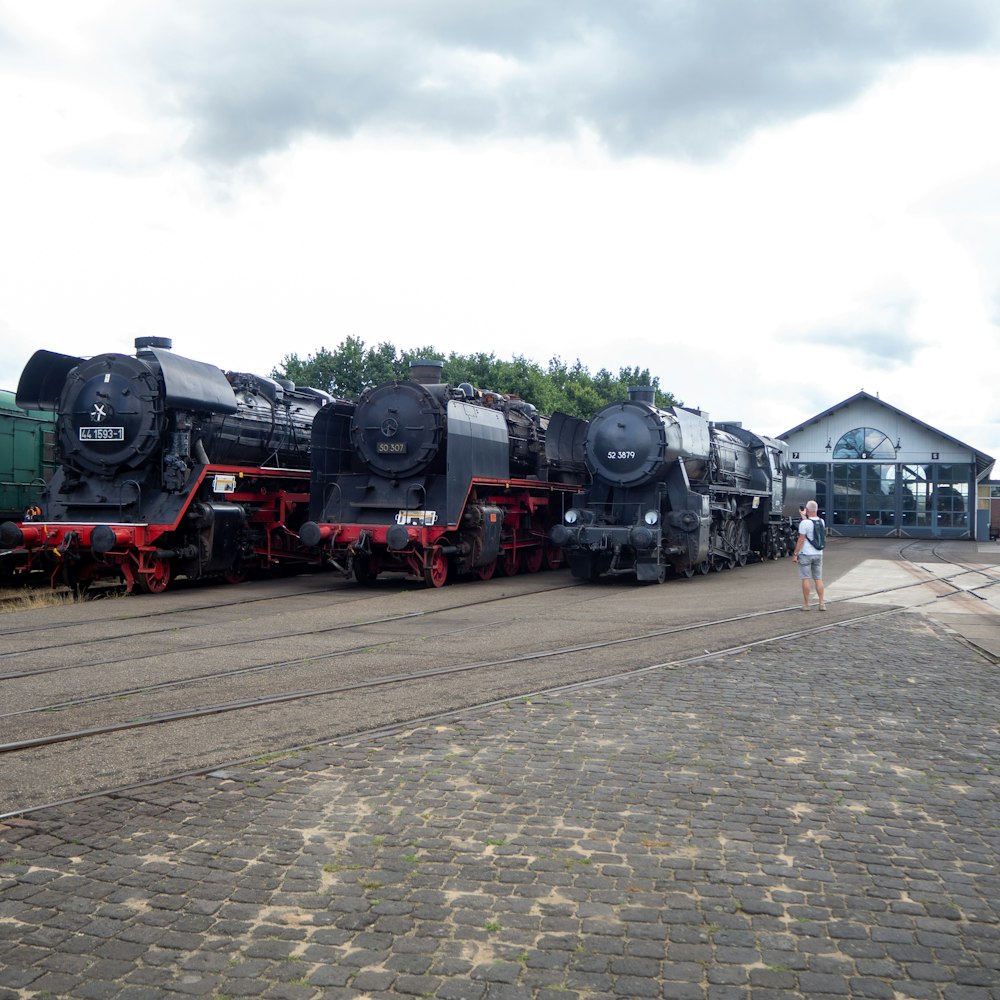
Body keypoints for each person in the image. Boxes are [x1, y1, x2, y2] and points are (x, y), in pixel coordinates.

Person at [792, 499, 826, 610]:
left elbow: (801, 540)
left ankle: (807, 605)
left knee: (805, 578)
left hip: (806, 554)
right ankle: (821, 604)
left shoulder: (804, 523)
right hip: (818, 554)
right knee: (818, 579)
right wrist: (804, 516)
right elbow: (811, 524)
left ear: (807, 509)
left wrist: (795, 554)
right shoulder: (821, 521)